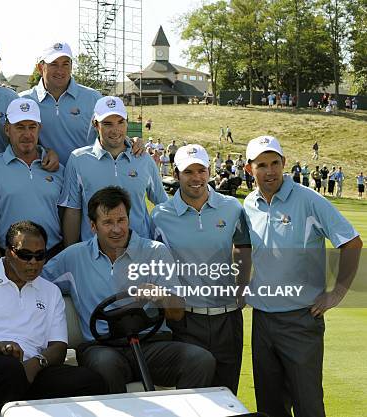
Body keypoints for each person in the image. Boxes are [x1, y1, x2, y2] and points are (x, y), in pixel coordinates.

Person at [42, 186, 215, 393]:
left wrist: (160, 296)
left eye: (121, 220)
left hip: (151, 344)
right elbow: (35, 279)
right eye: (107, 222)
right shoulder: (74, 257)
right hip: (102, 346)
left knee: (200, 360)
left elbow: (177, 313)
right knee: (105, 364)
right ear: (93, 226)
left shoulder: (155, 252)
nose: (117, 229)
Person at [242, 135, 362, 417]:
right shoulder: (248, 204)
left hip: (300, 322)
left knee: (308, 406)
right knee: (269, 408)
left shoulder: (309, 200)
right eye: (262, 165)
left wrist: (337, 293)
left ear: (284, 163)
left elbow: (351, 242)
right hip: (262, 320)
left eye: (275, 163)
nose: (270, 171)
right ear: (250, 169)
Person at [0, 221, 107, 417]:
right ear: (8, 253)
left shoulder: (51, 291)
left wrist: (37, 362)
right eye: (25, 255)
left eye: (39, 255)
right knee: (9, 370)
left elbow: (58, 347)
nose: (33, 262)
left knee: (91, 381)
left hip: (32, 367)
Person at [151, 145, 251, 395]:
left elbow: (243, 247)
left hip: (227, 318)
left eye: (201, 170)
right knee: (192, 399)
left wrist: (243, 286)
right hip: (185, 320)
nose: (196, 178)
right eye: (188, 172)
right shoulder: (160, 215)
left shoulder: (232, 208)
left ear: (209, 171)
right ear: (176, 173)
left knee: (227, 396)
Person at [60, 96, 167, 245]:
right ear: (95, 124)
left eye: (120, 122)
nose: (115, 130)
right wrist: (70, 255)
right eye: (108, 124)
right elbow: (72, 210)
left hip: (139, 253)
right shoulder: (78, 159)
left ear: (127, 123)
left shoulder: (144, 159)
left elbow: (163, 204)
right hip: (95, 255)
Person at [0, 98, 64, 263]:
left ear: (39, 129)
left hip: (52, 257)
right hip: (10, 257)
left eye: (32, 127)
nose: (27, 134)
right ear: (7, 129)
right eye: (20, 127)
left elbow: (66, 216)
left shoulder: (57, 169)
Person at [19, 42, 103, 165]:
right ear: (40, 68)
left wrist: (132, 142)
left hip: (86, 176)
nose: (60, 71)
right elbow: (17, 142)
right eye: (54, 64)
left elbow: (111, 135)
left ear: (71, 67)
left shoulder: (94, 98)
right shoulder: (23, 101)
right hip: (45, 176)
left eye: (65, 64)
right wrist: (44, 151)